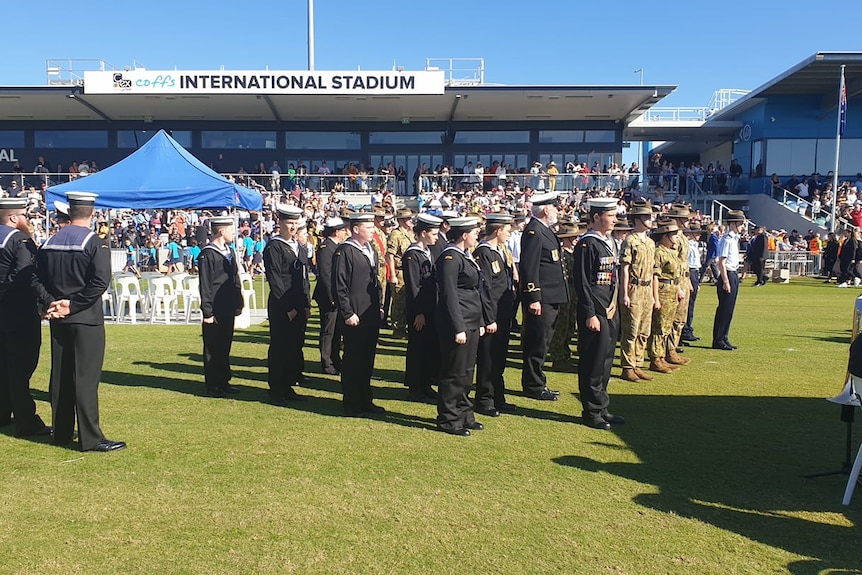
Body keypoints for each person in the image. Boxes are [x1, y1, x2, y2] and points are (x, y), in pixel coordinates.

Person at [38, 192, 124, 451]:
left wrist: (52, 302)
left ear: (70, 211)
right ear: (92, 212)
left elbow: (36, 278)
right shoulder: (95, 243)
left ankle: (61, 432)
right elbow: (100, 281)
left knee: (61, 377)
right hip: (85, 318)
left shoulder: (50, 241)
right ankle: (91, 437)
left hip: (58, 317)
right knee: (85, 379)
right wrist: (72, 305)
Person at [0, 197, 54, 438]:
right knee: (21, 367)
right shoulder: (20, 240)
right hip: (18, 311)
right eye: (25, 215)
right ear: (13, 218)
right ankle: (26, 421)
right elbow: (25, 274)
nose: (27, 220)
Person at [572, 197, 624, 430]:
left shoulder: (609, 241)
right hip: (596, 309)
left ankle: (602, 407)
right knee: (593, 361)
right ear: (596, 217)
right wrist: (589, 313)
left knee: (605, 361)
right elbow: (582, 283)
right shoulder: (587, 244)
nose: (614, 220)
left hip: (610, 308)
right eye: (610, 215)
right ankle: (591, 411)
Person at [435, 216, 487, 436]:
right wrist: (458, 327)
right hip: (458, 322)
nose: (477, 235)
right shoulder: (450, 257)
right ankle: (448, 418)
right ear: (464, 234)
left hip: (471, 320)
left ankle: (465, 413)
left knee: (467, 372)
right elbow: (449, 294)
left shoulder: (465, 256)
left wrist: (480, 322)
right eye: (474, 232)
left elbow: (476, 292)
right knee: (454, 372)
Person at [332, 212, 385, 417]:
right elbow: (340, 285)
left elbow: (374, 281)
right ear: (356, 229)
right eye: (368, 227)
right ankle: (352, 403)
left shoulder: (369, 248)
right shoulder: (345, 251)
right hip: (355, 314)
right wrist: (347, 312)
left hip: (369, 312)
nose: (373, 230)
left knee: (367, 359)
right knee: (353, 360)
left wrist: (379, 306)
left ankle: (365, 400)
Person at [519, 192, 568, 401]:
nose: (557, 211)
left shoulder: (544, 230)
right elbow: (529, 268)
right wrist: (534, 298)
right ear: (546, 209)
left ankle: (538, 381)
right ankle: (533, 385)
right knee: (537, 343)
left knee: (544, 342)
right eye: (555, 207)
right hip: (542, 299)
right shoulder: (534, 232)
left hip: (552, 297)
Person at [264, 205, 310, 406]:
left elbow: (304, 277)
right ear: (280, 223)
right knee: (280, 347)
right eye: (289, 223)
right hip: (282, 305)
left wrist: (305, 304)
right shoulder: (275, 246)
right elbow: (275, 280)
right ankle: (276, 389)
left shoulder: (298, 246)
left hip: (298, 304)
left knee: (293, 347)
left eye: (295, 223)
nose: (292, 227)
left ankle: (288, 385)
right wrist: (288, 307)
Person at [474, 212, 517, 416]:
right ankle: (484, 399)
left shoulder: (498, 251)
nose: (509, 234)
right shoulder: (484, 252)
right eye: (507, 231)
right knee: (488, 358)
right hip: (493, 316)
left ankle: (497, 396)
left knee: (499, 358)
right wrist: (489, 318)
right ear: (498, 230)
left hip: (503, 313)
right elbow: (485, 290)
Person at [198, 216, 244, 397]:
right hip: (215, 308)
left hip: (227, 305)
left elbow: (235, 277)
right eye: (231, 230)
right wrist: (207, 311)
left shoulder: (229, 251)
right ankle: (213, 384)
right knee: (213, 347)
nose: (234, 233)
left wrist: (238, 301)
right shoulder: (208, 254)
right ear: (221, 231)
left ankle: (224, 380)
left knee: (225, 345)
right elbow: (205, 285)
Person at [402, 213, 443, 403]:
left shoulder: (428, 252)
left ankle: (425, 384)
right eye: (434, 233)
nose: (436, 237)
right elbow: (413, 286)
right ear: (424, 233)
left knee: (429, 348)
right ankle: (414, 387)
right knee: (417, 348)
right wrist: (418, 312)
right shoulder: (412, 255)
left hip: (430, 308)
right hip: (419, 310)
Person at [618, 200, 656, 382]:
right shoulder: (630, 241)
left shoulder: (650, 242)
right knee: (631, 330)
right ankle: (627, 366)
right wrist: (624, 293)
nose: (651, 220)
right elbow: (624, 268)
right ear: (639, 219)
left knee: (644, 330)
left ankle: (638, 364)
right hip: (634, 287)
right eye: (647, 217)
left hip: (647, 289)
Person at [648, 220, 688, 373]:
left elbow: (676, 274)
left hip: (672, 290)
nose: (676, 238)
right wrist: (655, 298)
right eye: (673, 235)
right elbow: (655, 276)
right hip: (663, 291)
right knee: (659, 326)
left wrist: (678, 289)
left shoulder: (672, 252)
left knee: (667, 326)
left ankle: (662, 356)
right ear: (665, 235)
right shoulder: (659, 252)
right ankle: (655, 358)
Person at [313, 217, 348, 376]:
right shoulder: (326, 247)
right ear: (336, 232)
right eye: (342, 230)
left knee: (336, 331)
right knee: (328, 331)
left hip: (336, 296)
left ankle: (335, 359)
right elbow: (326, 275)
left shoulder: (335, 246)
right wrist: (332, 297)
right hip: (328, 297)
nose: (344, 233)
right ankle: (327, 363)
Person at [548, 221, 580, 372]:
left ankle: (564, 354)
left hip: (573, 292)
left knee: (570, 325)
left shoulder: (573, 252)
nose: (575, 240)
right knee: (561, 325)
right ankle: (558, 357)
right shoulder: (561, 254)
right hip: (564, 290)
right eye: (572, 237)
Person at [712, 210, 745, 350]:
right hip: (728, 275)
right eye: (741, 224)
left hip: (733, 273)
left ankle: (724, 337)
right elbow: (721, 262)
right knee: (724, 309)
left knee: (729, 310)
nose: (743, 227)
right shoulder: (727, 239)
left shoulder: (734, 239)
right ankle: (718, 339)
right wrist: (725, 281)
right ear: (733, 224)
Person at [386, 208, 415, 338]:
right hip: (399, 271)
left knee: (407, 300)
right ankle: (398, 329)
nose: (410, 221)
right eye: (408, 219)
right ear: (401, 220)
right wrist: (392, 274)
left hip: (409, 271)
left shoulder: (410, 234)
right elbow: (390, 256)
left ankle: (405, 325)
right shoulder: (395, 234)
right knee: (398, 301)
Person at [682, 223, 704, 343]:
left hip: (695, 272)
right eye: (697, 233)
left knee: (692, 304)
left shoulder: (695, 245)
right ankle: (685, 330)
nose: (699, 236)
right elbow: (687, 263)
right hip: (690, 272)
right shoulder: (689, 245)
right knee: (688, 304)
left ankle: (688, 328)